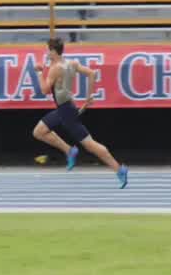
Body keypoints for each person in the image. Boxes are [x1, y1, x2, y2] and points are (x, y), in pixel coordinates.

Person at [32, 37, 128, 188]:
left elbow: (44, 90)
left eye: (48, 50)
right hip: (66, 108)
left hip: (66, 111)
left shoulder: (55, 68)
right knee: (39, 131)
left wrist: (38, 73)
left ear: (53, 51)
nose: (46, 53)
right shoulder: (71, 63)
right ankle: (69, 150)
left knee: (90, 145)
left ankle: (119, 169)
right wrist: (89, 97)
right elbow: (91, 73)